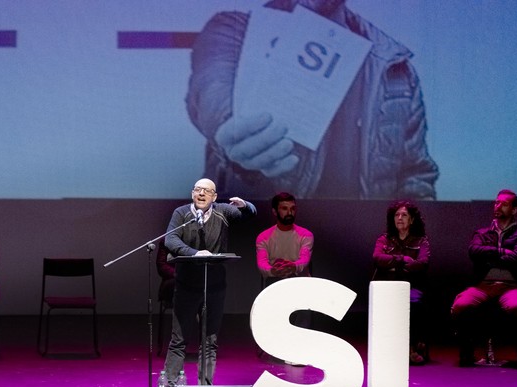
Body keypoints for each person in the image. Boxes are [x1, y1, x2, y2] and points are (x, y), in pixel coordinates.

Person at [186, 0, 439, 200]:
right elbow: (212, 91)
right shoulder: (233, 32)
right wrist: (230, 129)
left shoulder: (394, 67)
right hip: (264, 248)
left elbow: (415, 175)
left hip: (363, 254)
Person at [163, 178, 256, 386]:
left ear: (214, 197)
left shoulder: (222, 211)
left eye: (207, 191)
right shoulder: (181, 214)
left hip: (214, 287)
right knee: (178, 341)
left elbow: (250, 215)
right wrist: (194, 253)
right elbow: (170, 240)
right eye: (198, 190)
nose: (202, 194)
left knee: (210, 342)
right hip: (186, 285)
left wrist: (246, 206)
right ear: (192, 193)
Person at [451, 189, 517, 368]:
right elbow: (474, 251)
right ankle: (467, 356)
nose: (498, 206)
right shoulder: (482, 233)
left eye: (504, 203)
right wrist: (502, 252)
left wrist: (490, 258)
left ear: (514, 210)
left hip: (510, 286)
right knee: (461, 305)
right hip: (483, 285)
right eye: (496, 202)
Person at [372, 200, 430, 365]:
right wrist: (402, 259)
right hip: (388, 287)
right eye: (397, 215)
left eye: (404, 215)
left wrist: (392, 265)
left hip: (411, 286)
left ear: (411, 220)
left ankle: (410, 348)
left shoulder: (421, 241)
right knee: (387, 304)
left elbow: (422, 263)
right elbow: (377, 258)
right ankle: (397, 350)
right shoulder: (384, 239)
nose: (400, 218)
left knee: (414, 304)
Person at [256, 192, 314, 338]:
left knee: (305, 293)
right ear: (275, 211)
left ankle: (299, 342)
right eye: (284, 208)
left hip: (299, 282)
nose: (290, 212)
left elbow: (304, 260)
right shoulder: (264, 237)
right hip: (275, 281)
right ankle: (276, 341)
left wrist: (292, 267)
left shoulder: (305, 235)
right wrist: (274, 271)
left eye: (293, 208)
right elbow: (262, 264)